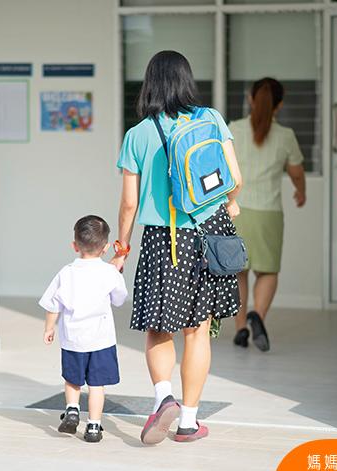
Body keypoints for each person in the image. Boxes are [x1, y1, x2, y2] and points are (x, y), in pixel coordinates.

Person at [111, 50, 242, 444]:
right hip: (208, 232)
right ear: (187, 80)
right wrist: (229, 203)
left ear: (149, 83)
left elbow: (130, 203)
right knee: (198, 331)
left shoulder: (137, 134)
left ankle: (162, 396)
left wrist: (122, 246)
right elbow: (235, 178)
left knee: (158, 329)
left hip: (161, 237)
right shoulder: (211, 119)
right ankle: (188, 420)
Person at [229, 77, 306, 352]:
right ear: (280, 104)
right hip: (268, 213)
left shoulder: (233, 129)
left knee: (239, 272)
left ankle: (240, 328)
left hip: (236, 211)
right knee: (268, 270)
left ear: (250, 99)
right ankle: (257, 316)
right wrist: (301, 191)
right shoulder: (285, 136)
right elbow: (296, 171)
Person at [40, 215, 128, 443]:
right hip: (101, 341)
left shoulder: (66, 273)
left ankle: (71, 409)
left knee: (72, 380)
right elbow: (119, 299)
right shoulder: (109, 273)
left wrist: (50, 328)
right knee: (96, 385)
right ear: (106, 247)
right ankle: (93, 426)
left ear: (74, 245)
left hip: (73, 340)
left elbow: (53, 304)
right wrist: (117, 268)